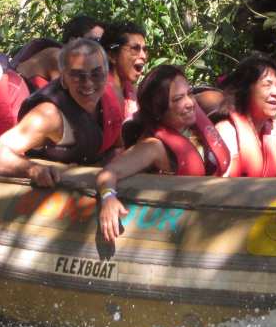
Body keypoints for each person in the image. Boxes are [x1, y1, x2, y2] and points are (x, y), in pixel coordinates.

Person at [94, 64, 232, 242]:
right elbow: (108, 172)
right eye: (177, 99)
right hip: (176, 230)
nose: (190, 103)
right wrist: (108, 200)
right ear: (159, 109)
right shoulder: (153, 146)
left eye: (189, 94)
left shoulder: (193, 130)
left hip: (207, 215)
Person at [0, 38, 123, 188]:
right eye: (77, 75)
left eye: (96, 74)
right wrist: (33, 170)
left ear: (107, 75)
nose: (88, 83)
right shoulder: (48, 116)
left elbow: (117, 147)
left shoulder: (112, 96)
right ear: (63, 80)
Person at [213, 54, 276, 178]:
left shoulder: (272, 125)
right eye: (267, 85)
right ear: (246, 89)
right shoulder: (227, 131)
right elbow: (219, 186)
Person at [11, 13, 106, 91]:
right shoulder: (57, 56)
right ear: (73, 40)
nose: (99, 48)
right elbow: (67, 98)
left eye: (102, 42)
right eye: (95, 41)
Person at [103, 21, 149, 121]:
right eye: (135, 49)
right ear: (112, 55)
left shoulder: (133, 93)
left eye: (144, 50)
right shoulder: (98, 95)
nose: (143, 56)